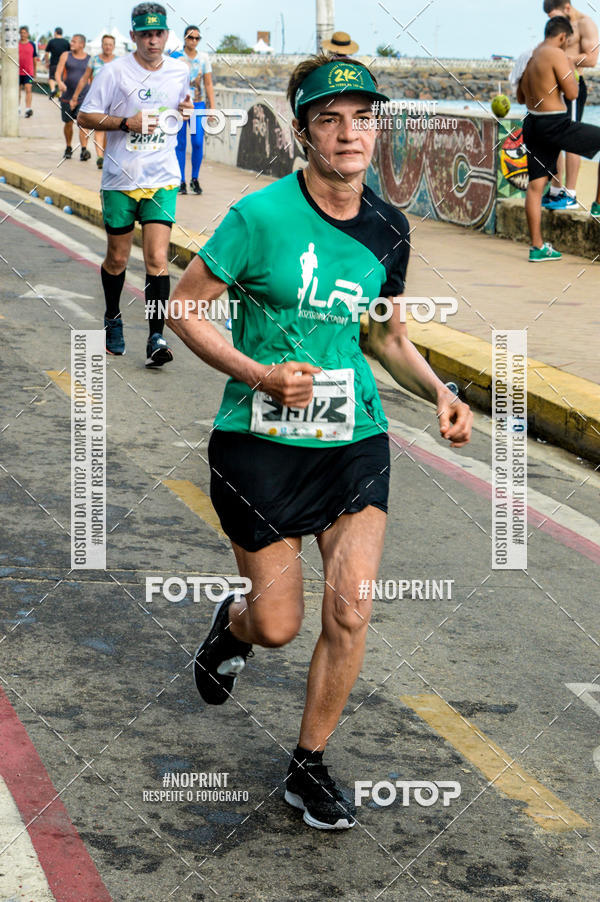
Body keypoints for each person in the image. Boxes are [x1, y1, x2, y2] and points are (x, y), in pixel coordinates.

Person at [167, 54, 473, 830]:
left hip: (352, 440)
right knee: (278, 626)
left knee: (352, 606)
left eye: (362, 117)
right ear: (302, 132)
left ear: (377, 128)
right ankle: (229, 629)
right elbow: (185, 307)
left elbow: (387, 339)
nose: (348, 133)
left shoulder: (388, 228)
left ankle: (309, 765)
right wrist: (261, 373)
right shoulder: (259, 218)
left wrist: (442, 392)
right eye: (329, 119)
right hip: (259, 442)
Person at [78, 3, 190, 366]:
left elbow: (180, 106)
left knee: (158, 258)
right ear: (134, 37)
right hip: (120, 179)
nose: (153, 41)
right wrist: (127, 123)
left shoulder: (179, 70)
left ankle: (157, 336)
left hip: (162, 178)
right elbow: (85, 115)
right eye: (145, 34)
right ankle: (113, 317)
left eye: (158, 34)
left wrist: (186, 109)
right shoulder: (113, 73)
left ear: (166, 35)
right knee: (118, 258)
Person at [518, 16, 600, 261]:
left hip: (532, 123)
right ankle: (598, 205)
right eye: (568, 41)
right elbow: (573, 93)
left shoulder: (531, 57)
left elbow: (521, 98)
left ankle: (537, 248)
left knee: (535, 186)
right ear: (563, 37)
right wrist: (571, 70)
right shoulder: (555, 54)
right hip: (555, 123)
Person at [542, 0, 599, 209]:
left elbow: (592, 59)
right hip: (555, 86)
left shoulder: (586, 23)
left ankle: (571, 194)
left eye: (556, 16)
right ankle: (556, 191)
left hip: (573, 86)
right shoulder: (560, 26)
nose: (554, 22)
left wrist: (565, 58)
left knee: (572, 138)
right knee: (555, 138)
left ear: (567, 7)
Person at [170, 25, 215, 195]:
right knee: (180, 144)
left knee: (197, 143)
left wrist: (212, 107)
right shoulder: (175, 56)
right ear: (184, 38)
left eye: (197, 38)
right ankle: (180, 180)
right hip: (179, 106)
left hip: (198, 105)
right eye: (191, 37)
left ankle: (194, 178)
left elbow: (208, 83)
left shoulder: (203, 58)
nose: (194, 41)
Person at [71, 34, 117, 169]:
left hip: (114, 101)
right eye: (105, 44)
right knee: (99, 128)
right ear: (102, 45)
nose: (108, 47)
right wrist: (75, 96)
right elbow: (85, 78)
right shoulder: (94, 60)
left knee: (109, 130)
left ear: (113, 47)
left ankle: (106, 154)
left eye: (110, 44)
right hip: (97, 100)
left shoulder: (119, 62)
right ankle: (100, 157)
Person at [55, 34, 92, 160]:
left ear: (82, 44)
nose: (71, 43)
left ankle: (84, 149)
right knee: (68, 123)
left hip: (84, 96)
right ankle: (68, 147)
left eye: (74, 41)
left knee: (83, 123)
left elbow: (91, 79)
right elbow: (58, 72)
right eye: (71, 41)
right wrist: (59, 83)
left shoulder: (89, 59)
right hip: (67, 96)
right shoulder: (65, 55)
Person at [44, 27, 70, 98]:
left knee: (51, 78)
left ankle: (53, 90)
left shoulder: (51, 41)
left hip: (53, 63)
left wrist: (47, 62)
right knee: (62, 79)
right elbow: (70, 54)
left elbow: (46, 53)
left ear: (55, 32)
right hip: (64, 64)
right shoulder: (66, 42)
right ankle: (61, 95)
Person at [18, 26, 37, 118]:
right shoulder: (16, 44)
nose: (23, 34)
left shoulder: (32, 44)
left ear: (28, 34)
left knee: (28, 90)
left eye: (24, 32)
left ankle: (28, 109)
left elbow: (34, 59)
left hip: (28, 72)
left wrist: (35, 72)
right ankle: (17, 108)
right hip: (17, 72)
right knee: (17, 91)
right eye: (21, 32)